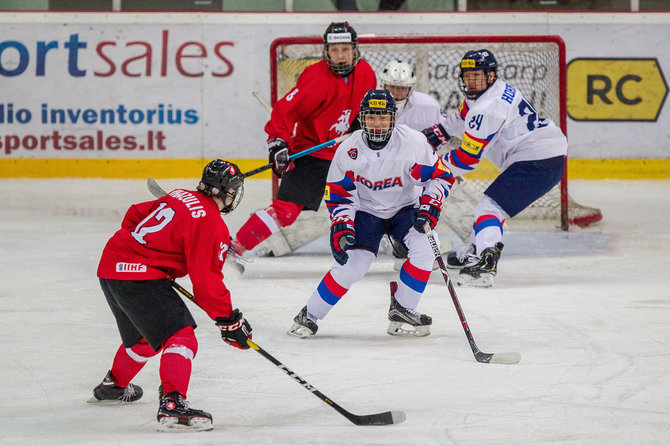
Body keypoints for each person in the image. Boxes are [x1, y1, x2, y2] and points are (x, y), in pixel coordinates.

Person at [90, 159, 253, 432]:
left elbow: (134, 215)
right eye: (234, 190)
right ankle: (172, 405)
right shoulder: (212, 224)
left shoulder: (179, 195)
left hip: (111, 265)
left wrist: (150, 254)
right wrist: (229, 321)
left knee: (144, 339)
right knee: (181, 336)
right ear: (226, 192)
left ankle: (113, 386)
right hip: (138, 277)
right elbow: (206, 283)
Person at [287, 89, 454, 339]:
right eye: (372, 117)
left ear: (393, 118)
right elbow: (339, 195)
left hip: (405, 209)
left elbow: (441, 176)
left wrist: (430, 204)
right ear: (362, 119)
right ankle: (309, 315)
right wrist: (342, 223)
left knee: (428, 248)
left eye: (383, 117)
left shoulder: (414, 143)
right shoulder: (348, 150)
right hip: (366, 212)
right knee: (354, 264)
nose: (378, 123)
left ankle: (403, 309)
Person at [229, 22, 377, 269]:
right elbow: (285, 111)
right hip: (314, 152)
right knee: (285, 212)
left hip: (347, 151)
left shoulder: (366, 73)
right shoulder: (315, 79)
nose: (340, 55)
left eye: (345, 49)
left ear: (355, 49)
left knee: (383, 196)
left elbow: (365, 108)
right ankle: (235, 247)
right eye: (334, 49)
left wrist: (359, 125)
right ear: (326, 51)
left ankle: (399, 246)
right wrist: (278, 144)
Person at [421, 49, 567, 287]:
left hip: (537, 160)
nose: (470, 81)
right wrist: (440, 132)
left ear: (490, 75)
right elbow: (461, 116)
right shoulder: (491, 91)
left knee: (490, 207)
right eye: (467, 75)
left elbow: (468, 159)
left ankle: (486, 260)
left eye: (477, 75)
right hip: (541, 153)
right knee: (488, 207)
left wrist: (433, 167)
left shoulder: (488, 108)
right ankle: (476, 249)